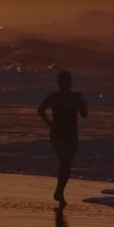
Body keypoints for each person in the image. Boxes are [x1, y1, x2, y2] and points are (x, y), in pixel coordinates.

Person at [37, 70, 88, 206]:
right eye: (64, 80)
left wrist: (83, 106)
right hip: (58, 135)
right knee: (65, 162)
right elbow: (40, 110)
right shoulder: (54, 98)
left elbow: (84, 114)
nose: (65, 83)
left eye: (66, 80)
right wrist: (50, 124)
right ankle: (59, 192)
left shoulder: (76, 97)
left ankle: (60, 192)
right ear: (61, 82)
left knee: (67, 164)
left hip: (70, 135)